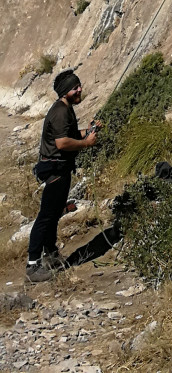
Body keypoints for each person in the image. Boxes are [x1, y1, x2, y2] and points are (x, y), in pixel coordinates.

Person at [27, 69, 100, 283]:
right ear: (65, 91)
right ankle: (32, 266)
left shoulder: (65, 109)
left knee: (53, 214)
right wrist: (86, 143)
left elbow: (69, 135)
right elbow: (62, 143)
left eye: (79, 86)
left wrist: (88, 131)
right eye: (74, 87)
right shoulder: (60, 111)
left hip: (60, 169)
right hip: (55, 170)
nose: (79, 90)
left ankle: (50, 255)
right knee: (46, 217)